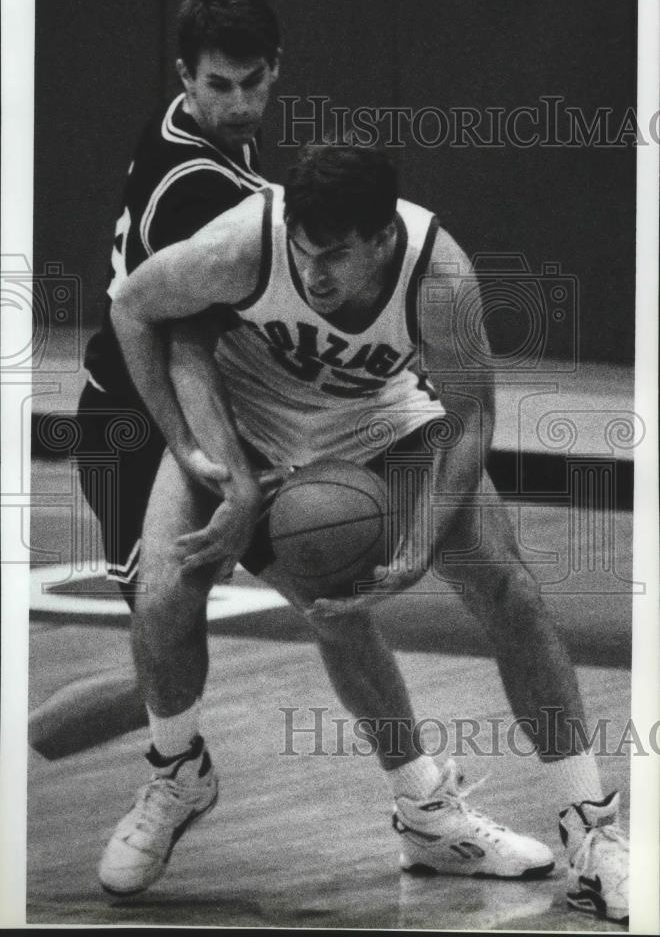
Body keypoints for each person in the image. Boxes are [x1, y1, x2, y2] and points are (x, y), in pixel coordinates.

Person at [100, 145, 629, 923]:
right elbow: (135, 310)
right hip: (246, 415)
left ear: (382, 240)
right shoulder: (244, 242)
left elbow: (472, 414)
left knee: (507, 586)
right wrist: (196, 452)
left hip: (380, 417)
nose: (314, 275)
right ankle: (179, 771)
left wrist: (418, 543)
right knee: (163, 591)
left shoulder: (439, 275)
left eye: (337, 257)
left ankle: (591, 829)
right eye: (305, 253)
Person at [28, 0, 282, 757]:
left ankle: (422, 793)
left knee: (329, 599)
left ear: (275, 67)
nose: (238, 103)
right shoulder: (199, 187)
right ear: (184, 78)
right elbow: (172, 344)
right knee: (166, 649)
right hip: (129, 422)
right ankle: (45, 752)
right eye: (218, 86)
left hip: (196, 403)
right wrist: (193, 451)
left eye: (251, 83)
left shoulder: (190, 127)